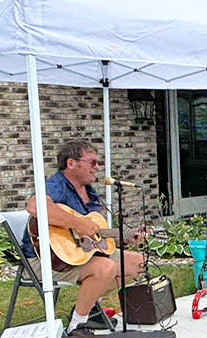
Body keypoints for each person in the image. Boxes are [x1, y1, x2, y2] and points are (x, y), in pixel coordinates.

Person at [24, 141, 144, 336]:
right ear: (71, 163)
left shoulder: (90, 193)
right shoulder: (57, 185)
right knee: (105, 268)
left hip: (77, 255)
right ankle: (76, 327)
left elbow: (95, 236)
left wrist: (125, 237)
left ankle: (88, 311)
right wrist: (79, 224)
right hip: (45, 260)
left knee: (137, 263)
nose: (97, 167)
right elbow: (35, 207)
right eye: (92, 162)